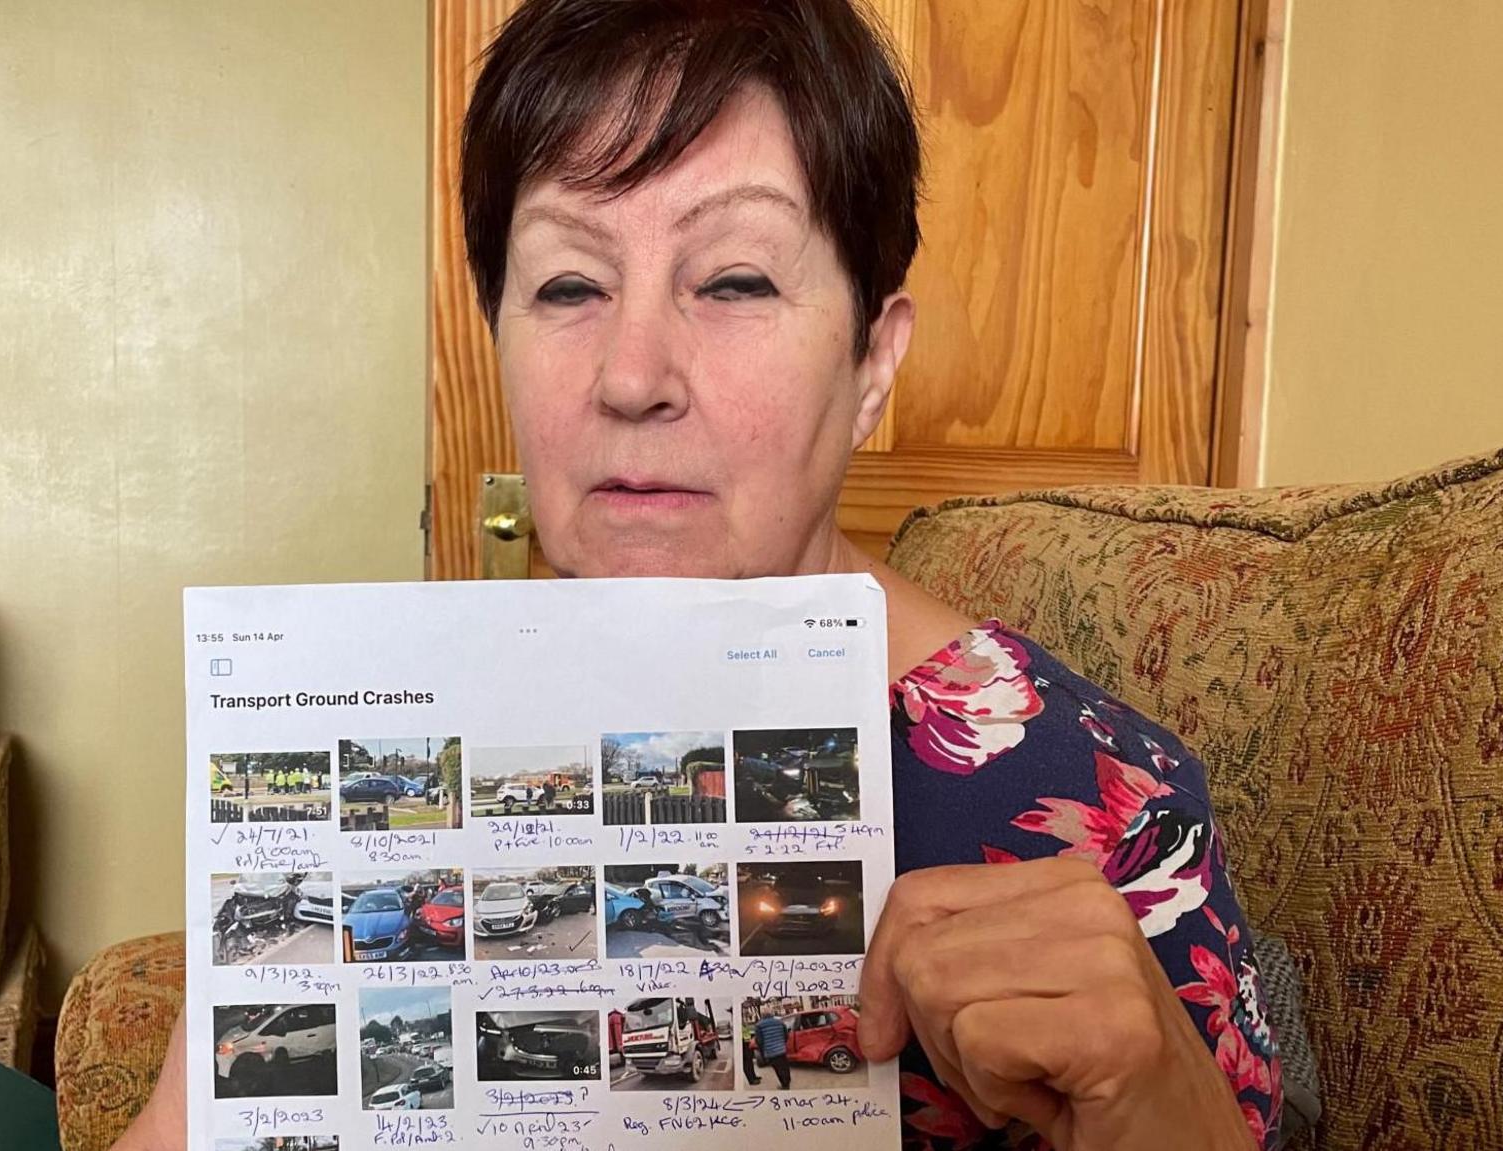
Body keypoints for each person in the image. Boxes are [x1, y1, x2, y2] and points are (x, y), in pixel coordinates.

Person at [115, 1, 1280, 1147]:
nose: (631, 374)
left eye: (733, 281)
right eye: (569, 286)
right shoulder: (386, 731)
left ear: (873, 360)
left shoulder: (1096, 803)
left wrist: (1160, 1113)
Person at [753, 1008, 794, 1090]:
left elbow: (759, 1041)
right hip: (782, 1049)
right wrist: (782, 1043)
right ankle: (787, 1081)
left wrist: (762, 1053)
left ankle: (784, 1085)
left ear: (762, 1015)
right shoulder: (780, 1022)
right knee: (785, 1066)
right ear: (771, 1014)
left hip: (770, 1052)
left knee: (777, 1068)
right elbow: (786, 1036)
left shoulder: (759, 1025)